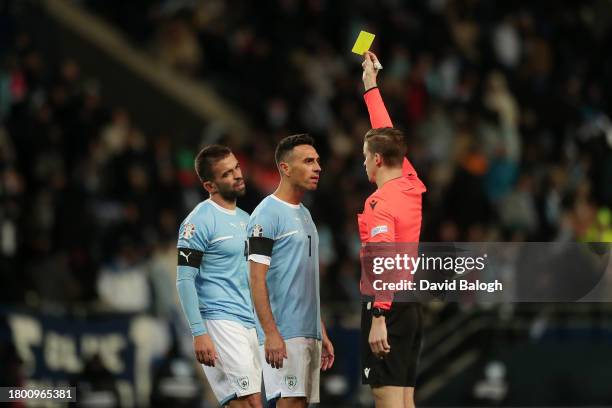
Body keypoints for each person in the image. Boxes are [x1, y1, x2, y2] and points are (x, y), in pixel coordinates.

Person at [358, 51, 427, 408]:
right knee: (404, 401)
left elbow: (384, 260)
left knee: (387, 402)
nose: (364, 161)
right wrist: (371, 87)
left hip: (388, 304)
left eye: (366, 155)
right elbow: (387, 135)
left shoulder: (380, 202)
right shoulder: (411, 184)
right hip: (411, 301)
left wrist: (378, 316)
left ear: (378, 160)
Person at [247, 134, 334, 407]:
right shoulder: (266, 214)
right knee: (291, 403)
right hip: (284, 331)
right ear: (285, 168)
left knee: (300, 404)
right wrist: (271, 333)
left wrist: (319, 329)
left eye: (318, 161)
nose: (317, 167)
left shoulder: (305, 214)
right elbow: (255, 279)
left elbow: (305, 279)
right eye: (308, 161)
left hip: (307, 331)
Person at [176, 145, 262, 407]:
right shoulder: (197, 222)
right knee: (252, 403)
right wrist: (198, 332)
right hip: (220, 322)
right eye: (227, 174)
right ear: (209, 186)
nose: (237, 175)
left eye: (236, 167)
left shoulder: (249, 219)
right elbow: (184, 279)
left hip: (250, 323)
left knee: (243, 403)